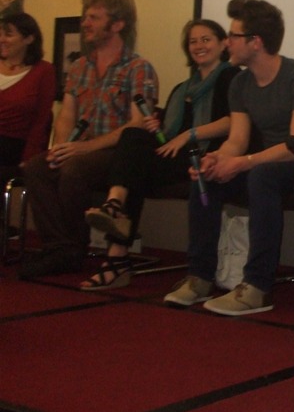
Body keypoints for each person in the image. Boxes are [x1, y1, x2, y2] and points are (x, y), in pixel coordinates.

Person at [164, 0, 294, 316]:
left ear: (256, 42)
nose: (227, 42)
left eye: (233, 35)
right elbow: (237, 141)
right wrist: (216, 159)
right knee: (207, 177)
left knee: (261, 175)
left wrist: (244, 162)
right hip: (265, 164)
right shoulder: (240, 82)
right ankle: (199, 277)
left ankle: (257, 286)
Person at [80, 19, 240, 290]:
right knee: (134, 139)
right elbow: (167, 139)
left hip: (208, 155)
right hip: (177, 155)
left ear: (223, 43)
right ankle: (115, 208)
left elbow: (233, 121)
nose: (198, 46)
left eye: (206, 39)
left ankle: (117, 258)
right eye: (193, 41)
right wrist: (159, 130)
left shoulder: (231, 77)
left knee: (133, 167)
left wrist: (188, 134)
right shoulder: (181, 89)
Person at [20, 0, 159, 279]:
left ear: (117, 24)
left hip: (116, 153)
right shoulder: (79, 66)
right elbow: (67, 114)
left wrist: (84, 148)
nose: (85, 23)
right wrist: (61, 147)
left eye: (94, 18)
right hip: (80, 148)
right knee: (37, 167)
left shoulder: (138, 68)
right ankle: (58, 247)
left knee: (74, 170)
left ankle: (74, 247)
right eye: (86, 17)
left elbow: (137, 124)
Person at [0, 14, 56, 186]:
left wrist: (29, 157)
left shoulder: (43, 71)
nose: (2, 39)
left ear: (29, 39)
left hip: (12, 144)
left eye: (8, 34)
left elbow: (41, 120)